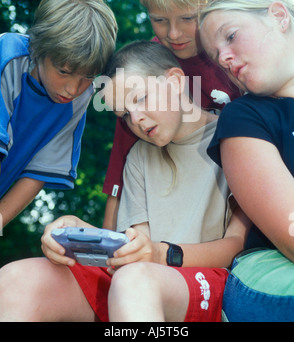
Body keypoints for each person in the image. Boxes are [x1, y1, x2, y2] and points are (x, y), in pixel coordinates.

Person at [0, 41, 249, 322]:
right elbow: (135, 245)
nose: (137, 119)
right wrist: (80, 233)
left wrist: (160, 254)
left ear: (176, 81)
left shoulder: (235, 136)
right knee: (15, 279)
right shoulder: (139, 157)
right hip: (139, 280)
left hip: (208, 283)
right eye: (125, 115)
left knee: (134, 281)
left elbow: (237, 244)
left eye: (140, 99)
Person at [102, 0, 241, 230]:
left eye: (188, 17)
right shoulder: (145, 74)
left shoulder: (239, 56)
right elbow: (119, 174)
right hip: (173, 221)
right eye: (160, 20)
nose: (174, 33)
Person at [199, 0, 294, 322]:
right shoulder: (244, 117)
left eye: (231, 36)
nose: (223, 58)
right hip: (269, 269)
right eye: (216, 56)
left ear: (278, 16)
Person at [0, 0, 118, 227]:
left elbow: (38, 171)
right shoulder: (6, 57)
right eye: (64, 71)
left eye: (88, 76)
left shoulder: (79, 99)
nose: (72, 90)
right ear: (38, 48)